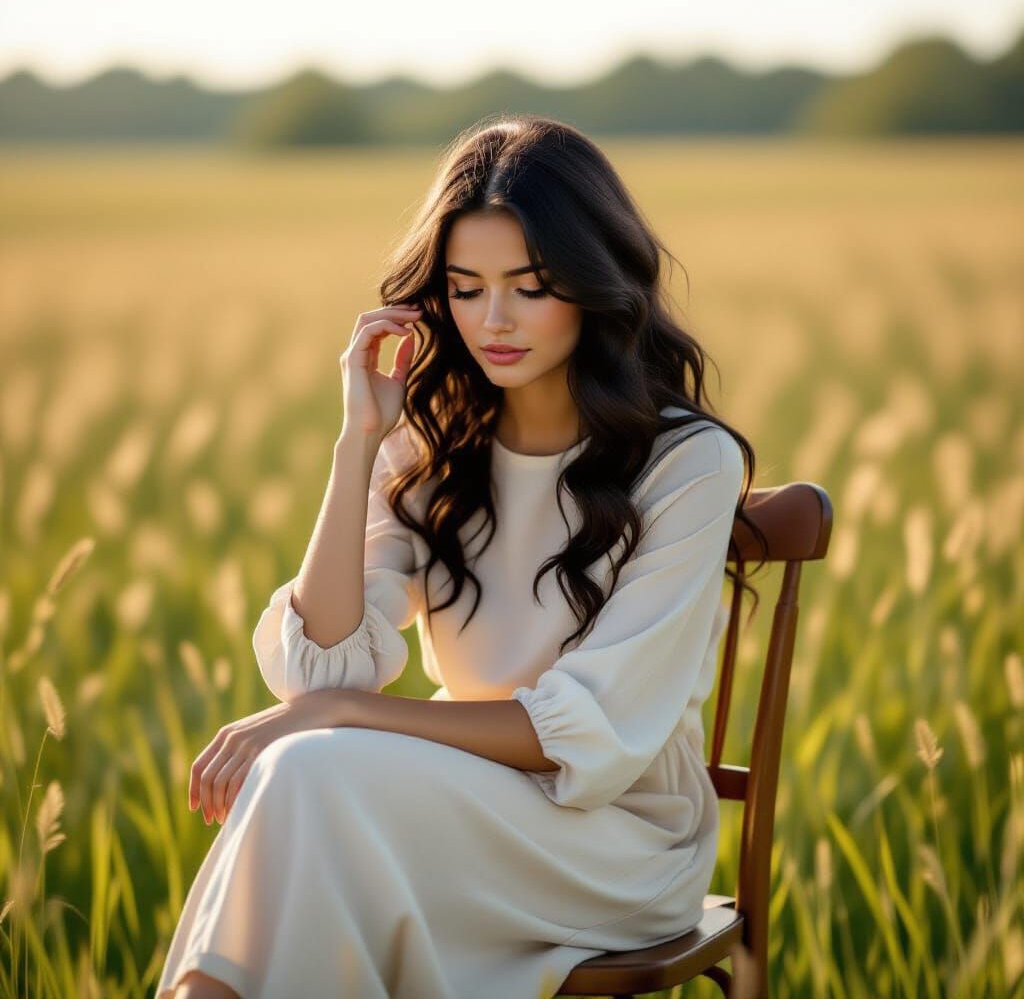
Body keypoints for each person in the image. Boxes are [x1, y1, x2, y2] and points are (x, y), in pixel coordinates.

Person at [156, 114, 760, 999]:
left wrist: (343, 715)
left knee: (306, 771)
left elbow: (582, 737)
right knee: (305, 775)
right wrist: (359, 441)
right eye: (466, 289)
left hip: (616, 844)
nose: (494, 321)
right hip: (456, 799)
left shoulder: (687, 462)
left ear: (596, 284)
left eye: (530, 287)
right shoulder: (431, 446)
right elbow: (322, 665)